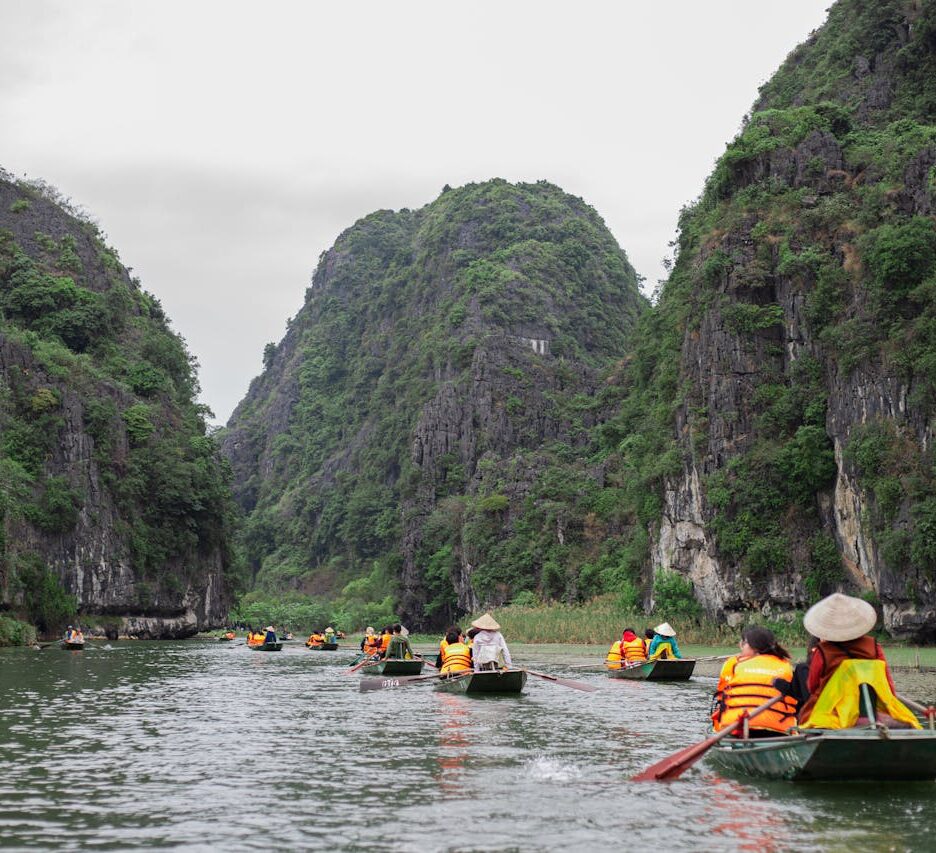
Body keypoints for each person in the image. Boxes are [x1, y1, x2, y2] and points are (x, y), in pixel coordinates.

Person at [795, 593, 919, 730]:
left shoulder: (822, 652)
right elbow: (887, 684)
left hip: (835, 714)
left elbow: (812, 686)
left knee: (805, 716)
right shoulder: (874, 647)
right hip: (870, 712)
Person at [711, 626, 798, 737]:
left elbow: (721, 698)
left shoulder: (734, 664)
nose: (741, 646)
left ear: (754, 647)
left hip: (739, 727)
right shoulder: (786, 665)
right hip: (780, 730)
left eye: (744, 643)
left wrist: (718, 728)